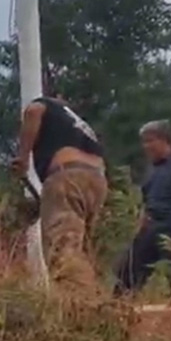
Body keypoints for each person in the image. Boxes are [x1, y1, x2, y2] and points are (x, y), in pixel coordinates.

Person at [11, 91, 108, 296]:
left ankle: (78, 308)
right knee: (81, 249)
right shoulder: (79, 125)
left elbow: (33, 110)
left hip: (68, 176)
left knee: (63, 249)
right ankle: (95, 302)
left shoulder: (45, 105)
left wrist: (23, 158)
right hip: (97, 181)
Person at [114, 120, 171, 296]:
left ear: (164, 140)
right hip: (151, 227)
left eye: (150, 141)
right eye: (144, 142)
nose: (146, 146)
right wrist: (139, 228)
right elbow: (147, 202)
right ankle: (118, 310)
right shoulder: (152, 171)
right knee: (128, 271)